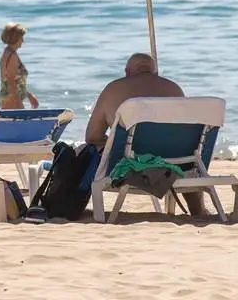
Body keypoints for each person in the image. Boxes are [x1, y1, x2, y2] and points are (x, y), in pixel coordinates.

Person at [84, 52, 205, 216]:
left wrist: (112, 141)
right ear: (155, 72)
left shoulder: (113, 89)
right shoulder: (174, 89)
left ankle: (74, 206)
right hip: (176, 164)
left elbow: (92, 136)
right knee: (185, 156)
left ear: (127, 72)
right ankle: (198, 210)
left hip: (130, 165)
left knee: (88, 151)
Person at [0, 22, 38, 109]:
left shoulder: (7, 52)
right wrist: (17, 101)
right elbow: (10, 81)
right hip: (11, 97)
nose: (23, 41)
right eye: (21, 38)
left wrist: (28, 95)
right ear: (15, 38)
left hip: (8, 96)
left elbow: (17, 81)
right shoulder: (12, 56)